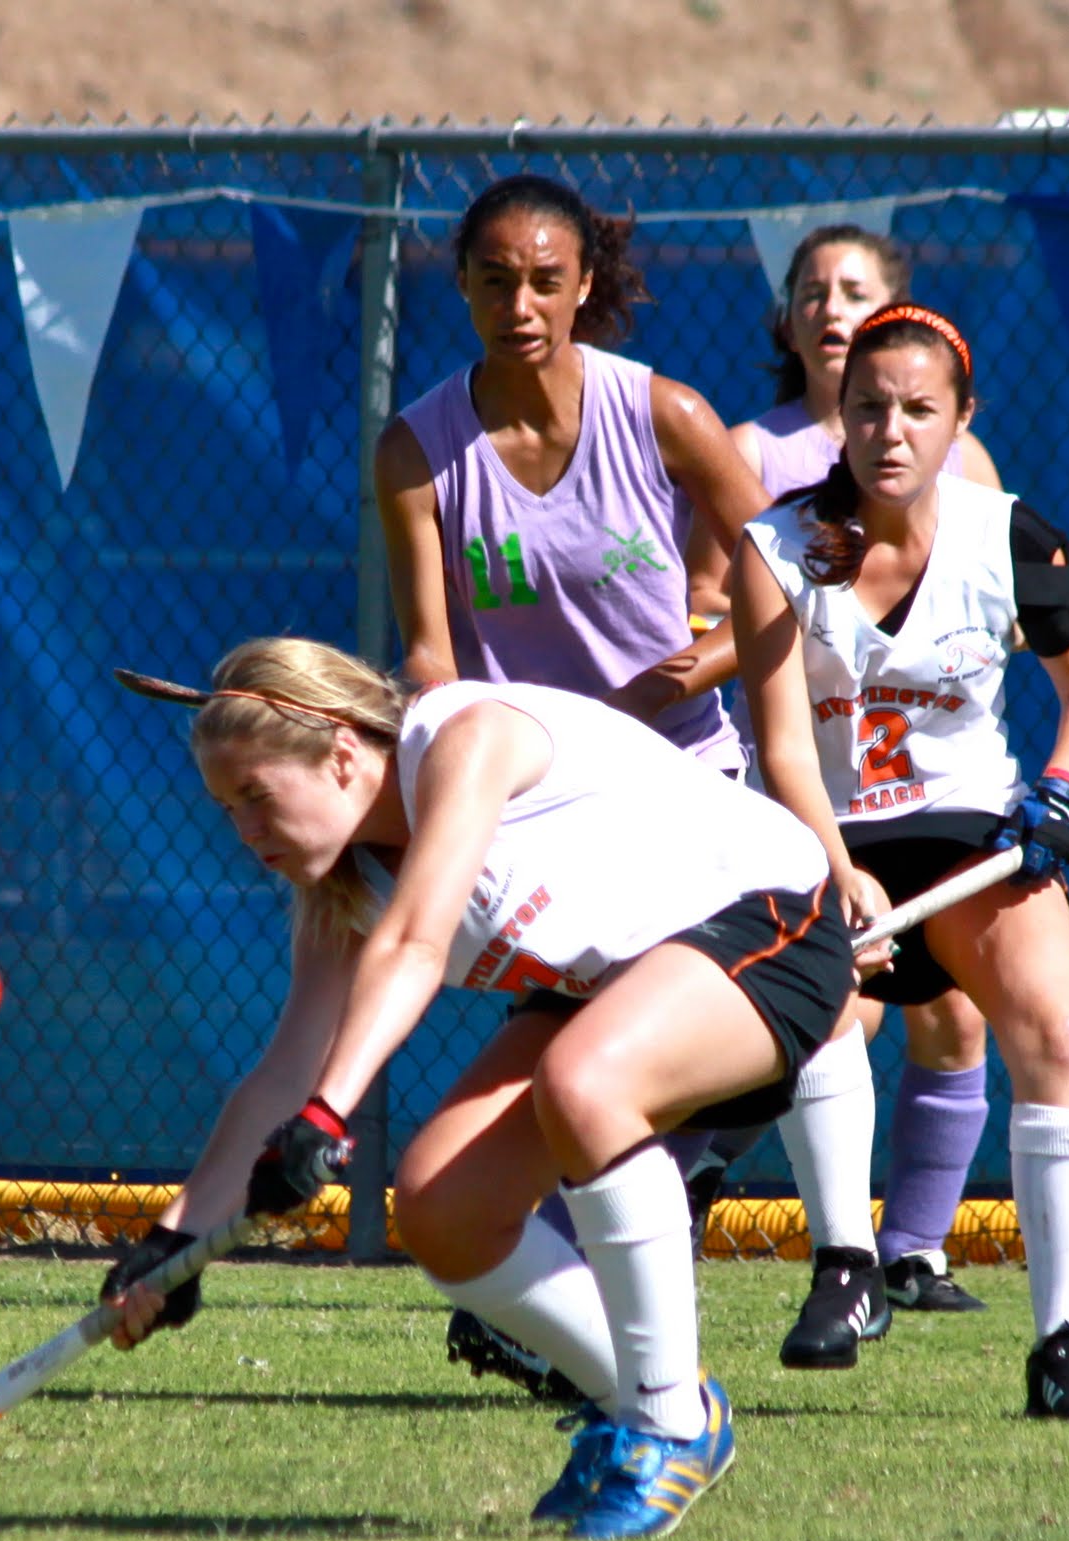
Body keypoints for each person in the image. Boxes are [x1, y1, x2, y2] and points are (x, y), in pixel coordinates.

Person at [101, 636, 865, 1538]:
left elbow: (419, 945)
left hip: (771, 919)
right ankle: (640, 1402)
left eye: (258, 799)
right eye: (229, 811)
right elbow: (287, 1066)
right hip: (614, 981)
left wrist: (326, 1116)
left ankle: (669, 1429)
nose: (247, 835)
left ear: (343, 755)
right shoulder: (345, 887)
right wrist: (175, 1239)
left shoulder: (466, 736)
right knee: (440, 1204)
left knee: (584, 1084)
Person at [377, 174, 884, 1384]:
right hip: (539, 816)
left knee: (764, 1039)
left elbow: (791, 570)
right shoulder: (416, 448)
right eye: (494, 279)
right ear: (460, 286)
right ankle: (584, 1333)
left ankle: (848, 1265)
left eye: (545, 278)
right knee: (558, 1098)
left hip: (690, 800)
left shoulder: (660, 412)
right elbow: (431, 656)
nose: (520, 303)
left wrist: (688, 664)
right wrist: (426, 751)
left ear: (585, 283)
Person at [732, 302, 1069, 1421]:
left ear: (960, 420)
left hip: (969, 833)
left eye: (917, 410)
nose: (889, 432)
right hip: (826, 829)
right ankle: (845, 1265)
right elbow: (776, 744)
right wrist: (831, 863)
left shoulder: (1013, 539)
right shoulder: (773, 548)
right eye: (866, 408)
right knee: (812, 1012)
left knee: (1055, 1026)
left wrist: (1061, 786)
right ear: (837, 422)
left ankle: (1067, 1344)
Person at [690, 225, 1004, 1314]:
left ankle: (913, 1247)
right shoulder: (760, 454)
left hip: (929, 787)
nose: (830, 307)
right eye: (810, 290)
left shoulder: (960, 468)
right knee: (829, 1003)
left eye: (854, 290)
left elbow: (982, 604)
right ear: (785, 321)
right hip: (813, 787)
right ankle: (774, 1212)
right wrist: (790, 633)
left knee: (954, 1013)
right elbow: (718, 603)